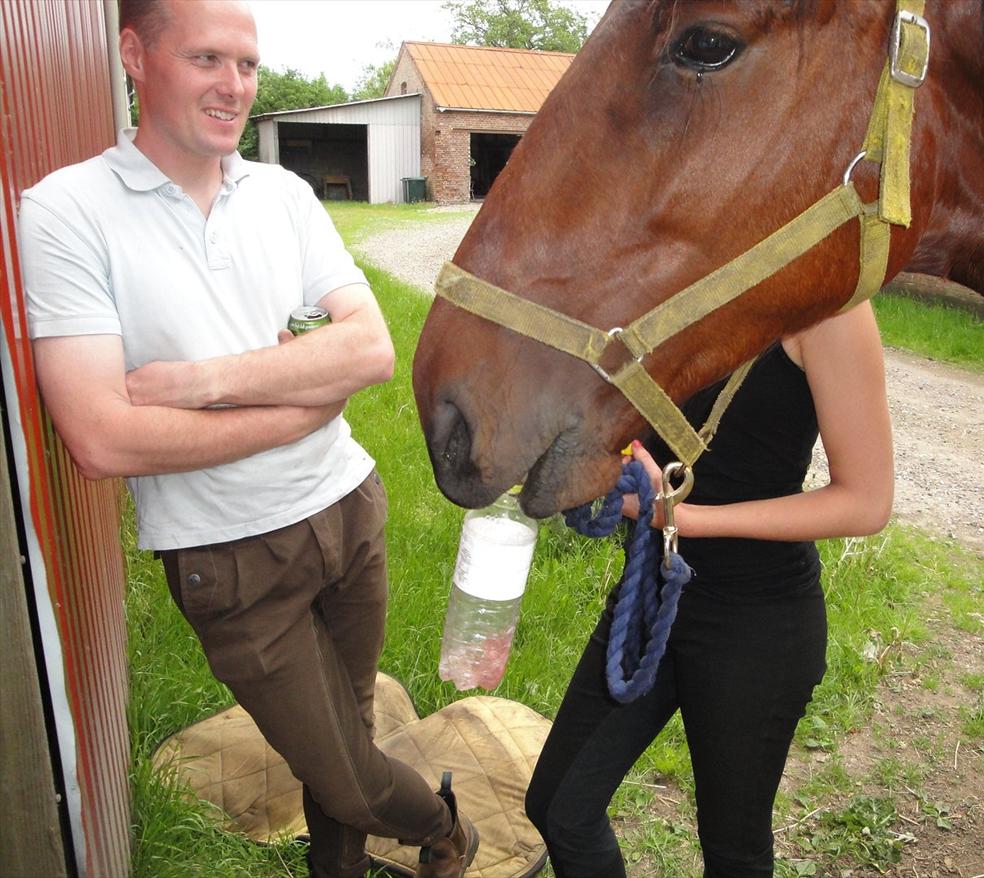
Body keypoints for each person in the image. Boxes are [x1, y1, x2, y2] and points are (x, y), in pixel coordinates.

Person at [16, 2, 476, 876]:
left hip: (348, 511)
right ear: (134, 55)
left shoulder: (283, 194)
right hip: (228, 556)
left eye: (248, 64)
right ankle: (446, 832)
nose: (234, 87)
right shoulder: (67, 212)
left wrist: (201, 384)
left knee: (344, 737)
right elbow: (103, 440)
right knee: (347, 775)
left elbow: (371, 351)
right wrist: (303, 401)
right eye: (207, 59)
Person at [525, 301, 895, 877]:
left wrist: (683, 518)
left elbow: (867, 501)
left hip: (755, 622)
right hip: (653, 595)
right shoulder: (676, 270)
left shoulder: (830, 306)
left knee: (732, 852)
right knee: (558, 807)